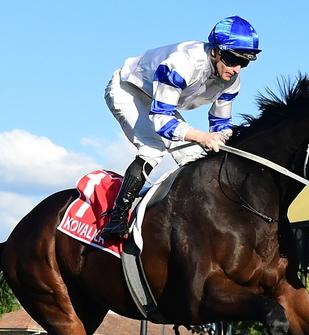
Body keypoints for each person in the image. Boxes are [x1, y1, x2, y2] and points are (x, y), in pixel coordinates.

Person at [100, 16, 261, 240]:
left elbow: (220, 124)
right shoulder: (182, 63)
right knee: (153, 149)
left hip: (160, 103)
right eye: (233, 59)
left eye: (244, 62)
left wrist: (230, 142)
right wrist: (202, 137)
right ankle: (115, 220)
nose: (237, 69)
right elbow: (161, 121)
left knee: (195, 156)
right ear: (214, 51)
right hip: (128, 91)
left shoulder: (232, 80)